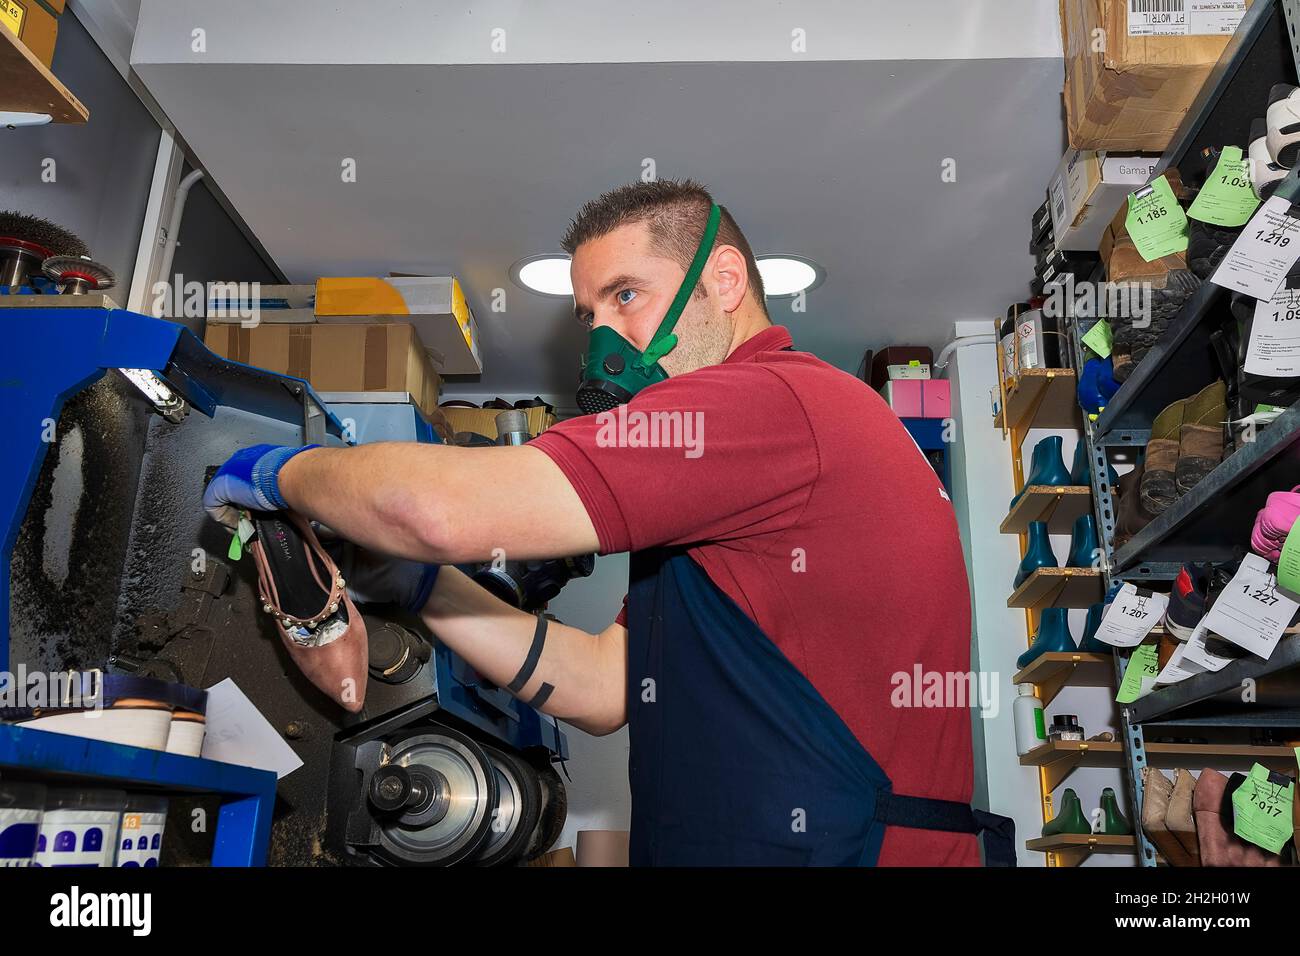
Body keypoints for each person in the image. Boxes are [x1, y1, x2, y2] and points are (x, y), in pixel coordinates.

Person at [205, 179, 1007, 866]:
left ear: (723, 279)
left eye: (627, 295)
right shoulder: (721, 493)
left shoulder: (766, 402)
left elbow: (434, 508)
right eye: (590, 314)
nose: (602, 341)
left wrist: (278, 472)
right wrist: (423, 585)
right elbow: (601, 688)